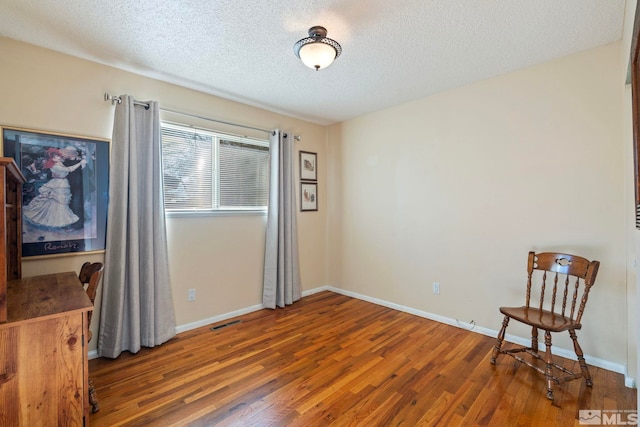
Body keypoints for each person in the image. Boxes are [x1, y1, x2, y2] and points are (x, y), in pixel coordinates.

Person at [23, 147, 86, 228]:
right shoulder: (55, 165)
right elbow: (69, 169)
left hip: (63, 183)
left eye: (58, 156)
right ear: (51, 158)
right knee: (58, 202)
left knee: (61, 202)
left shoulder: (60, 162)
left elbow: (67, 162)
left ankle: (64, 220)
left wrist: (79, 159)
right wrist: (80, 163)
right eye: (55, 157)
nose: (58, 157)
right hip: (58, 184)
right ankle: (59, 221)